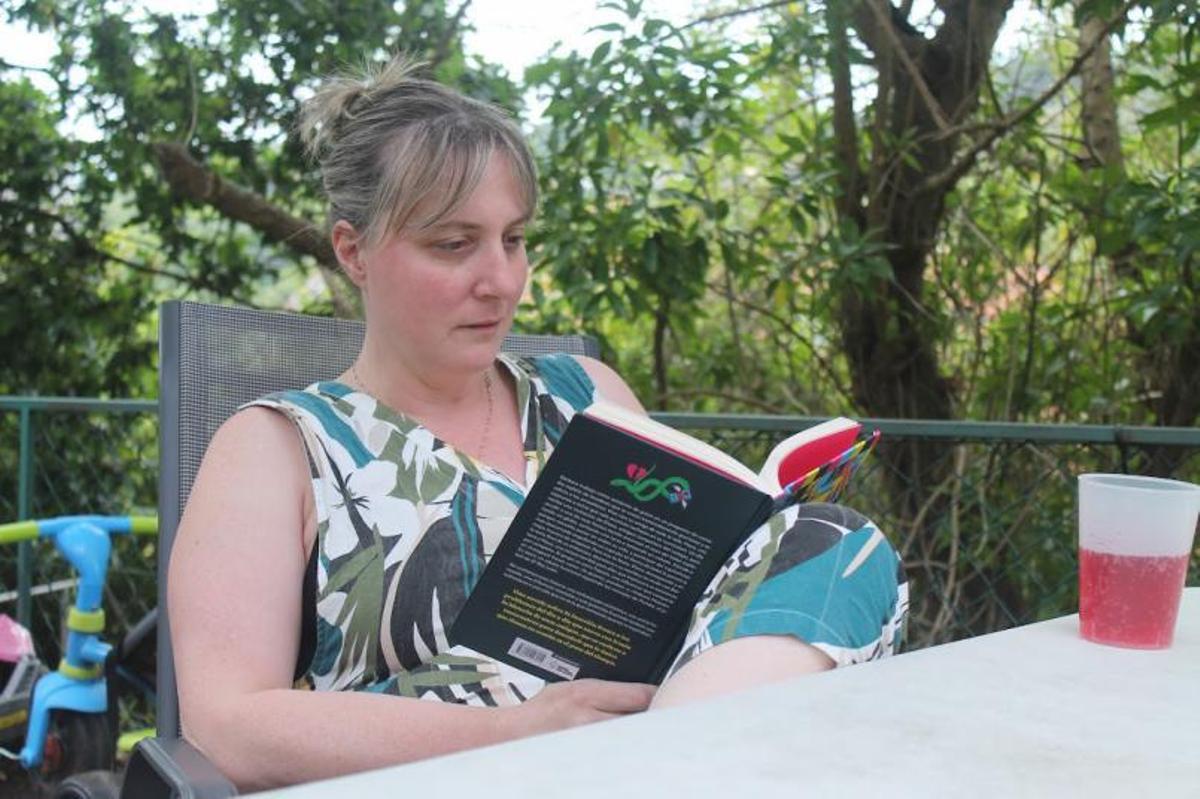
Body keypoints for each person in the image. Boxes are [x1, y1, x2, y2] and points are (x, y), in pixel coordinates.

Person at [168, 56, 909, 792]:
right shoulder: (279, 448)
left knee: (836, 541)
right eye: (454, 245)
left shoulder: (588, 394)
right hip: (445, 776)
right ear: (353, 250)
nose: (502, 280)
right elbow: (226, 726)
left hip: (656, 741)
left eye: (514, 239)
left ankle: (654, 770)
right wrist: (512, 734)